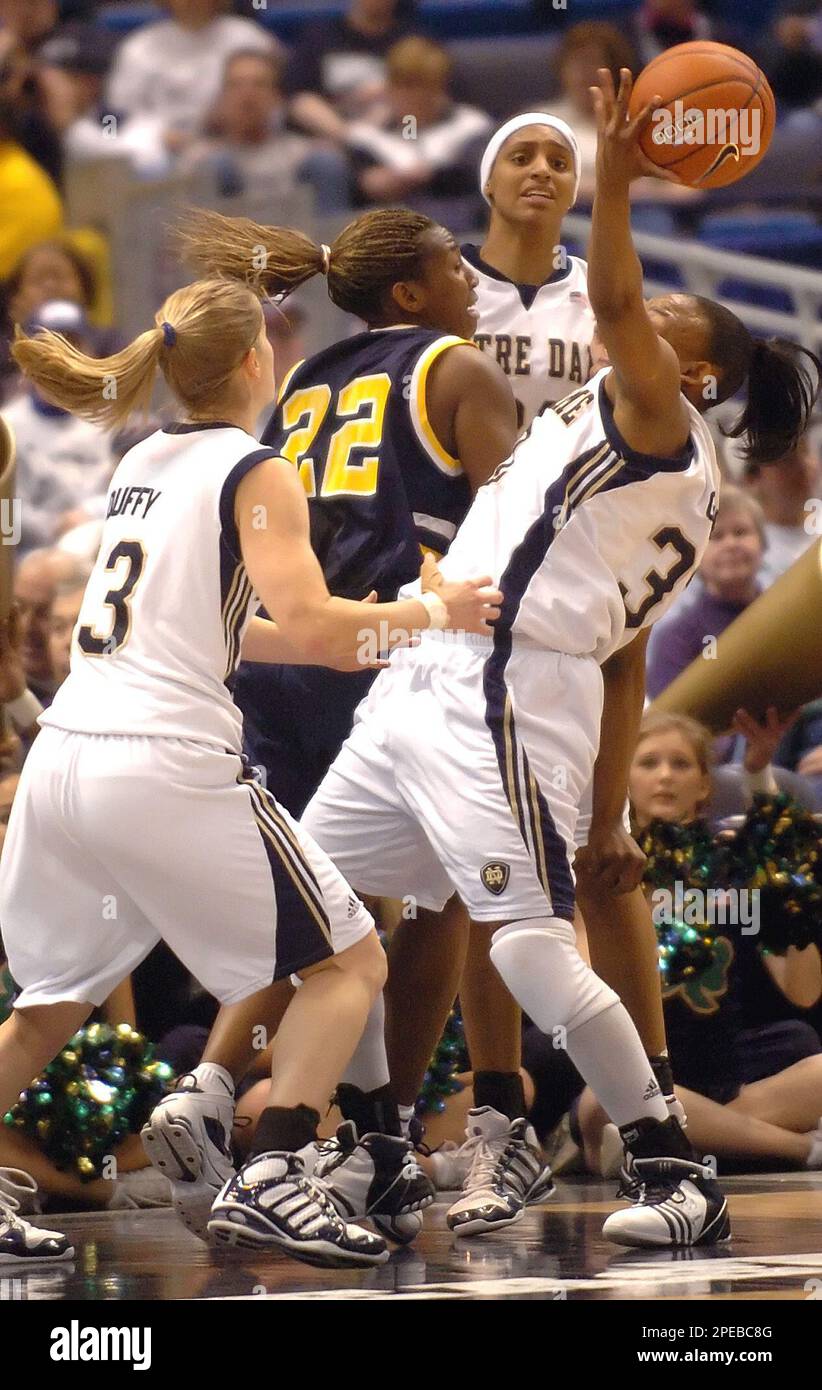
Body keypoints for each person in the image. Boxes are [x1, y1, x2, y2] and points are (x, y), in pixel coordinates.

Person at [298, 68, 818, 1249]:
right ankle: (379, 1141)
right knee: (313, 903)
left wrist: (621, 180)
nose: (631, 318)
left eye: (664, 324)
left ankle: (673, 1166)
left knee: (529, 940)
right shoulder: (594, 424)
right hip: (438, 670)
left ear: (689, 378)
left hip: (506, 687)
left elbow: (622, 299)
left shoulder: (659, 424)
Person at [0, 256, 502, 1266]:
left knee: (47, 1003)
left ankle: (263, 1151)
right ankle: (275, 1169)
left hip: (65, 758)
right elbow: (317, 628)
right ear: (258, 358)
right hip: (161, 762)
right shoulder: (255, 468)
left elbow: (243, 627)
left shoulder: (142, 462)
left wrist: (403, 626)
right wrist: (431, 611)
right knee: (350, 959)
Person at [140, 203, 517, 1242]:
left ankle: (227, 1086)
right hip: (390, 656)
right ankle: (382, 1134)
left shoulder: (307, 377)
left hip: (289, 666)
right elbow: (525, 521)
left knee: (319, 908)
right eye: (456, 264)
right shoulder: (455, 369)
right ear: (411, 294)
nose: (474, 276)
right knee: (422, 909)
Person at [576, 710, 822, 1177]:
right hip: (640, 1070)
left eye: (681, 764)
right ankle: (800, 1149)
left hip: (731, 1076)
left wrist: (787, 893)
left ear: (706, 785)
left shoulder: (733, 867)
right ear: (622, 781)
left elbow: (804, 990)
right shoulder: (594, 870)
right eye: (648, 763)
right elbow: (589, 989)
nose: (665, 775)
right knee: (603, 1104)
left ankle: (669, 1141)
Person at [2, 300, 115, 556]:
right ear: (25, 360)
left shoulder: (108, 421)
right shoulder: (7, 426)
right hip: (32, 557)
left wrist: (91, 512)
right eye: (47, 347)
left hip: (102, 548)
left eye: (72, 347)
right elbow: (5, 513)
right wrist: (55, 526)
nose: (60, 360)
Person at [181, 50, 349, 218]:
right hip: (227, 241)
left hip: (299, 240)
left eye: (259, 84)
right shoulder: (199, 158)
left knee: (325, 162)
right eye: (236, 85)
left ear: (277, 97)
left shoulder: (304, 155)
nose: (248, 94)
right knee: (215, 166)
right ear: (222, 97)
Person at [105, 0, 280, 152]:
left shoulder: (249, 38)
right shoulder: (138, 48)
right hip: (160, 150)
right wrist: (159, 135)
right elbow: (120, 114)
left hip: (238, 144)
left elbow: (276, 103)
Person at [347, 36, 491, 217]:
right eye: (404, 87)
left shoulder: (471, 126)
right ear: (390, 88)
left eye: (422, 88)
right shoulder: (366, 136)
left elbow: (476, 178)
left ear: (440, 88)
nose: (413, 98)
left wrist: (429, 175)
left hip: (459, 223)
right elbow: (366, 185)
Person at [645, 485, 766, 699]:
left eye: (741, 532)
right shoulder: (675, 640)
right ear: (695, 555)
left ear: (763, 543)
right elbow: (668, 723)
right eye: (716, 536)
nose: (731, 544)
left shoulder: (789, 615)